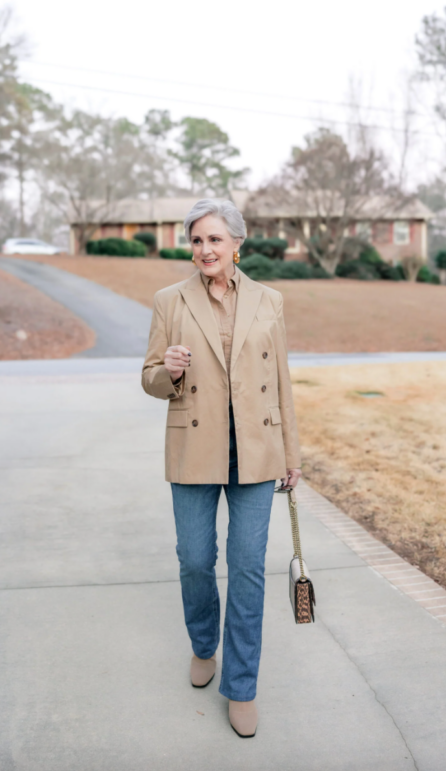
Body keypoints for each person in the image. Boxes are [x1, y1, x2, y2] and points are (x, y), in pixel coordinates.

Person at [141, 198, 301, 738]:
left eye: (214, 239)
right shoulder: (170, 300)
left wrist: (292, 455)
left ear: (238, 242)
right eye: (196, 240)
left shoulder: (269, 300)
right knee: (194, 558)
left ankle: (242, 685)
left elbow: (280, 379)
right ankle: (202, 644)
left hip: (256, 450)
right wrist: (168, 369)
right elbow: (149, 378)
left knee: (249, 568)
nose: (204, 250)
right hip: (194, 445)